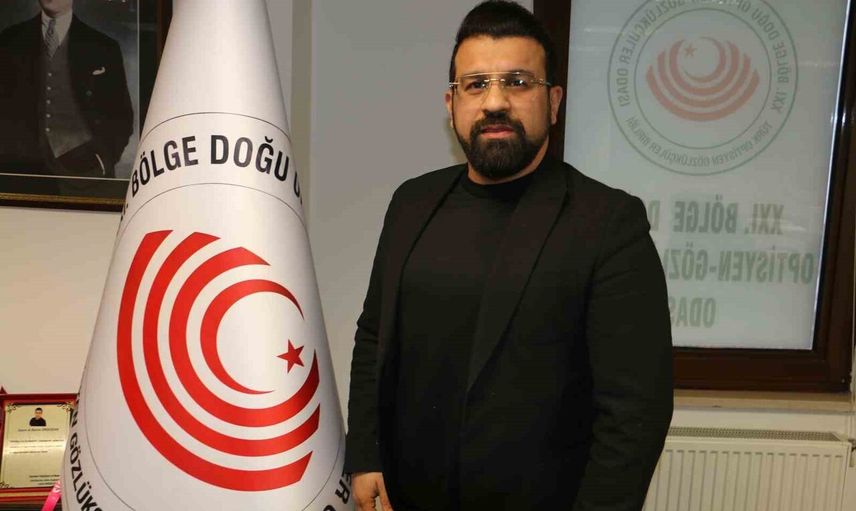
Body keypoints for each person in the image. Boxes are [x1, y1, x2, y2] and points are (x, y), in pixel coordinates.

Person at [344, 2, 674, 510]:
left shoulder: (608, 223)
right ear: (451, 103)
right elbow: (373, 336)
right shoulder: (410, 203)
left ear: (553, 102)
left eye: (518, 83)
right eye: (475, 84)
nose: (495, 102)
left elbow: (635, 412)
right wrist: (366, 455)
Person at [0, 0, 133, 178]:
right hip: (20, 171)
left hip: (85, 175)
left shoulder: (104, 47)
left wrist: (102, 161)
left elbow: (121, 116)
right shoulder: (9, 40)